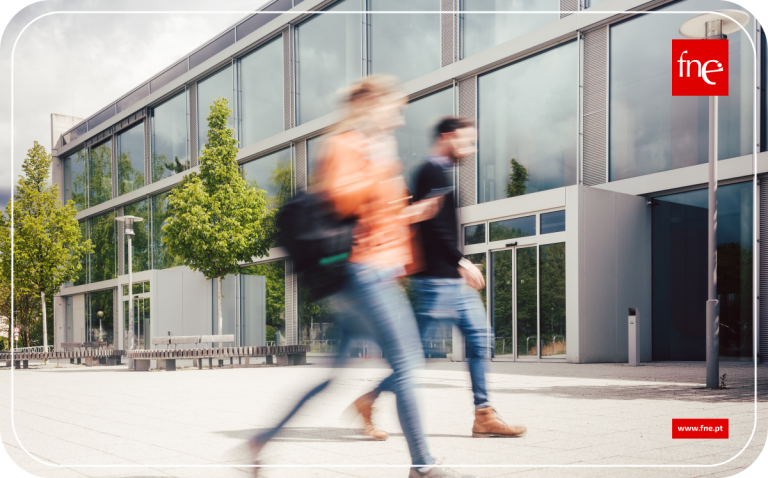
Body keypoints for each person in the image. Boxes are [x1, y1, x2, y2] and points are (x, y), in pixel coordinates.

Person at [249, 77, 474, 478]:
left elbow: (378, 219)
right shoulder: (348, 144)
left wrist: (410, 216)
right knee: (407, 363)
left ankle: (263, 439)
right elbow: (341, 198)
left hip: (375, 273)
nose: (400, 119)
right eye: (395, 109)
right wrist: (377, 165)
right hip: (363, 273)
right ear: (371, 105)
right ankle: (423, 466)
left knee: (333, 376)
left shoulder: (369, 149)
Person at [348, 117, 527, 441]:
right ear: (447, 136)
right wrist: (461, 261)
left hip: (451, 283)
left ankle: (483, 414)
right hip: (433, 284)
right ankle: (368, 400)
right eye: (466, 141)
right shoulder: (430, 172)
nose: (470, 149)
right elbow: (432, 228)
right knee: (414, 357)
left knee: (480, 339)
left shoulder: (439, 172)